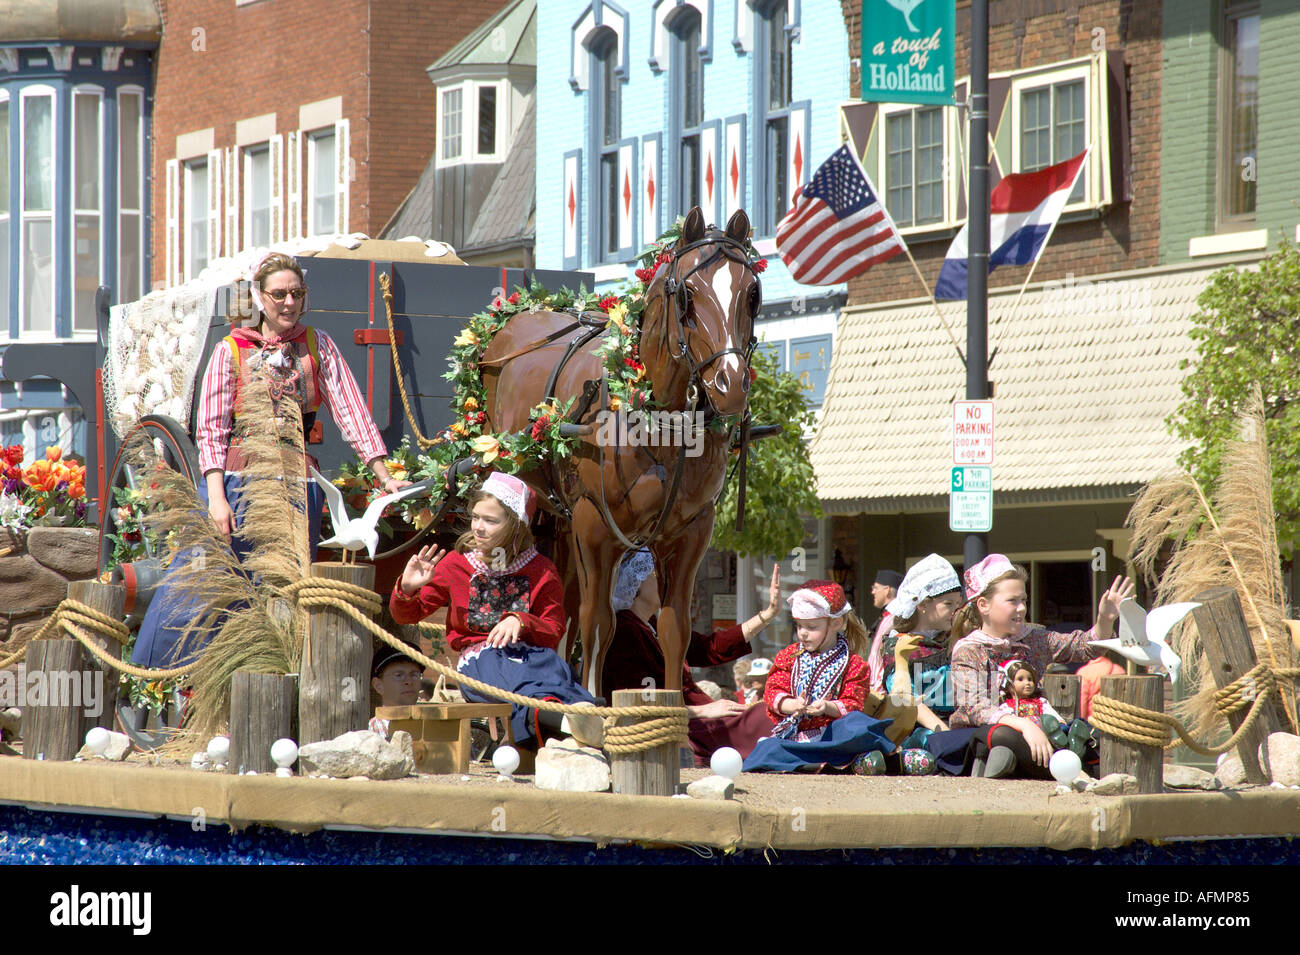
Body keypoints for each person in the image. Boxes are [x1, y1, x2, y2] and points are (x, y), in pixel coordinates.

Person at [131, 251, 407, 668]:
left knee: (283, 587)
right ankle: (160, 674)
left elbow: (353, 413)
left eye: (297, 293)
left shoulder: (318, 346)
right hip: (237, 483)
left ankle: (268, 674)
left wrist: (385, 476)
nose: (289, 303)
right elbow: (211, 430)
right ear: (260, 297)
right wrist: (217, 498)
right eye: (279, 294)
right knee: (204, 580)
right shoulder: (232, 350)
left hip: (296, 486)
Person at [389, 472, 595, 750]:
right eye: (475, 517)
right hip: (481, 663)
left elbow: (553, 629)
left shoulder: (541, 570)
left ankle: (582, 716)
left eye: (490, 520)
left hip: (531, 659)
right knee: (520, 683)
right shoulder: (456, 564)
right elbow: (406, 615)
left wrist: (521, 621)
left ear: (516, 526)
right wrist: (408, 589)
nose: (478, 527)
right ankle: (569, 721)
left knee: (553, 669)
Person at [948, 554, 1134, 779]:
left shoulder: (1034, 639)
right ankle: (1063, 766)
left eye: (1024, 600)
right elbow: (975, 708)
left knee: (1086, 733)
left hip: (1037, 730)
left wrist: (1105, 619)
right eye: (1012, 601)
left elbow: (1083, 647)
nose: (1021, 608)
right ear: (984, 605)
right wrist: (1025, 727)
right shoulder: (968, 649)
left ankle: (1041, 762)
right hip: (988, 733)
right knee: (1002, 736)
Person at [601, 550, 779, 765]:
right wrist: (704, 710)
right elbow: (640, 704)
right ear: (635, 584)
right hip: (682, 727)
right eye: (655, 576)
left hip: (700, 718)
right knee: (763, 717)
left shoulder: (655, 624)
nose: (664, 581)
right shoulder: (626, 631)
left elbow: (709, 648)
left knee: (769, 711)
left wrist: (767, 615)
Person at [741, 581, 896, 773]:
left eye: (811, 627)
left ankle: (829, 760)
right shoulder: (789, 656)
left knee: (856, 723)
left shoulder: (854, 663)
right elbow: (774, 690)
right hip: (796, 738)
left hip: (833, 735)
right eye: (799, 626)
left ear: (836, 623)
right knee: (768, 747)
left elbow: (853, 702)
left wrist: (827, 707)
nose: (803, 633)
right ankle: (842, 761)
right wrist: (791, 704)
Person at [368, 643, 424, 740]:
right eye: (398, 675)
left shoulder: (430, 727)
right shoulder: (368, 734)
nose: (409, 681)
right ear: (378, 685)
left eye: (414, 675)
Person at [867, 569, 903, 643]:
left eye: (875, 588)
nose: (873, 592)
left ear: (887, 590)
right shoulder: (887, 614)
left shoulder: (897, 617)